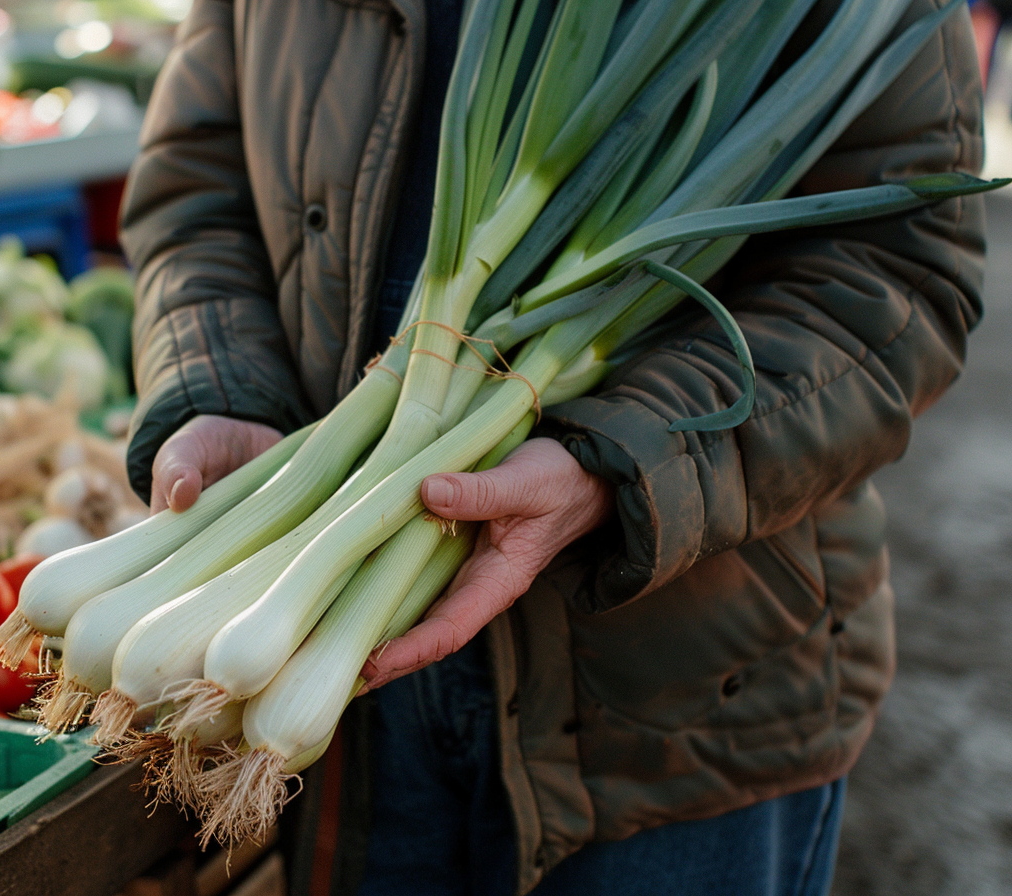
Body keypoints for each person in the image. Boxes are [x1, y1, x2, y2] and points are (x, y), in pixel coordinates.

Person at [118, 1, 987, 894]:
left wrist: (621, 466)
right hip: (346, 705)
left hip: (670, 700)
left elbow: (897, 280)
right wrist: (221, 380)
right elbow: (197, 187)